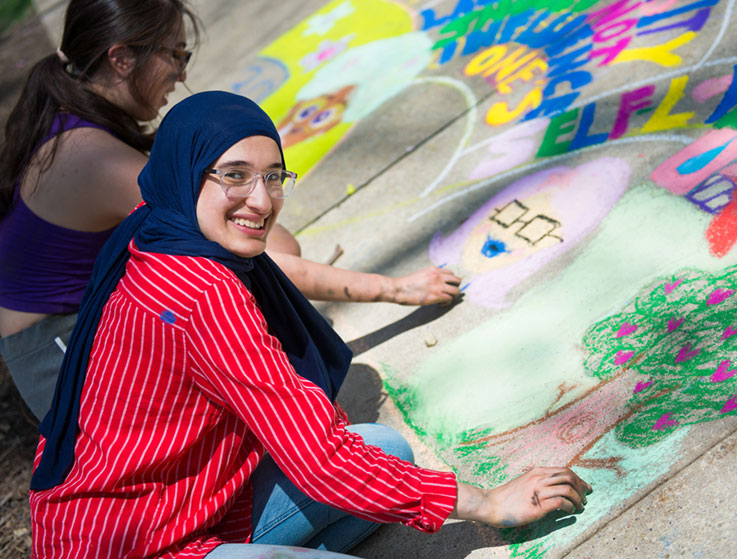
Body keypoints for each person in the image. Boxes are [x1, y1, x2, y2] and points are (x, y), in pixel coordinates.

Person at [29, 91, 591, 559]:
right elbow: (318, 459)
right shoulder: (203, 294)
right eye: (235, 176)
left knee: (384, 451)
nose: (261, 199)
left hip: (163, 503)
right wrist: (488, 503)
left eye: (273, 177)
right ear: (188, 173)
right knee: (360, 472)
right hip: (131, 543)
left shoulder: (154, 226)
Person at [0, 0, 460, 422]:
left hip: (82, 334)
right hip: (66, 370)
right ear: (121, 59)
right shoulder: (93, 158)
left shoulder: (73, 117)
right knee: (245, 260)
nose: (180, 74)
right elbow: (261, 262)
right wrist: (395, 288)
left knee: (261, 238)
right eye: (173, 54)